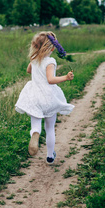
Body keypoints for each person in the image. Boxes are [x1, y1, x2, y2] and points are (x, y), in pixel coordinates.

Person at [15, 31, 74, 164]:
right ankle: (49, 156)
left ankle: (35, 133)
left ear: (36, 46)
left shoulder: (34, 58)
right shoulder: (50, 61)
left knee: (35, 124)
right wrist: (66, 77)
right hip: (47, 97)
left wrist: (35, 61)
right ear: (52, 48)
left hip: (34, 96)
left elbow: (29, 70)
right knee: (49, 127)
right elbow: (50, 79)